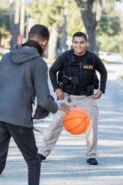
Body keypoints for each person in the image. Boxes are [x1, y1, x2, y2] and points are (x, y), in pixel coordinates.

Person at [0, 24, 70, 185]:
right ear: (44, 43)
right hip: (19, 120)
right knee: (33, 161)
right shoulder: (38, 63)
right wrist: (57, 107)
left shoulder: (7, 56)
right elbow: (44, 100)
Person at [38, 32, 108, 165]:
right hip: (67, 98)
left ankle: (91, 155)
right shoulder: (65, 57)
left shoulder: (92, 58)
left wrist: (101, 90)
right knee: (55, 125)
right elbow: (52, 71)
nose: (78, 45)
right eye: (75, 42)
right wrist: (56, 88)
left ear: (86, 43)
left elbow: (103, 72)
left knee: (92, 126)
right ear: (72, 43)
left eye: (81, 42)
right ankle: (42, 152)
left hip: (86, 98)